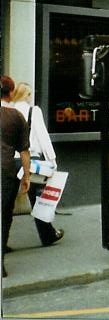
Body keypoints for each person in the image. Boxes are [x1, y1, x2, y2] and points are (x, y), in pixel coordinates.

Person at [8, 82, 64, 246]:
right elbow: (43, 137)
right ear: (26, 95)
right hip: (31, 160)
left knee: (7, 202)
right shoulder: (34, 111)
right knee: (38, 200)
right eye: (30, 94)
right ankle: (47, 235)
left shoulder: (8, 111)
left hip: (11, 160)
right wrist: (52, 160)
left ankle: (2, 242)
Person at [1, 76, 30, 278]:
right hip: (6, 170)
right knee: (4, 216)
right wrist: (26, 176)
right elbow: (24, 151)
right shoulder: (17, 116)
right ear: (11, 93)